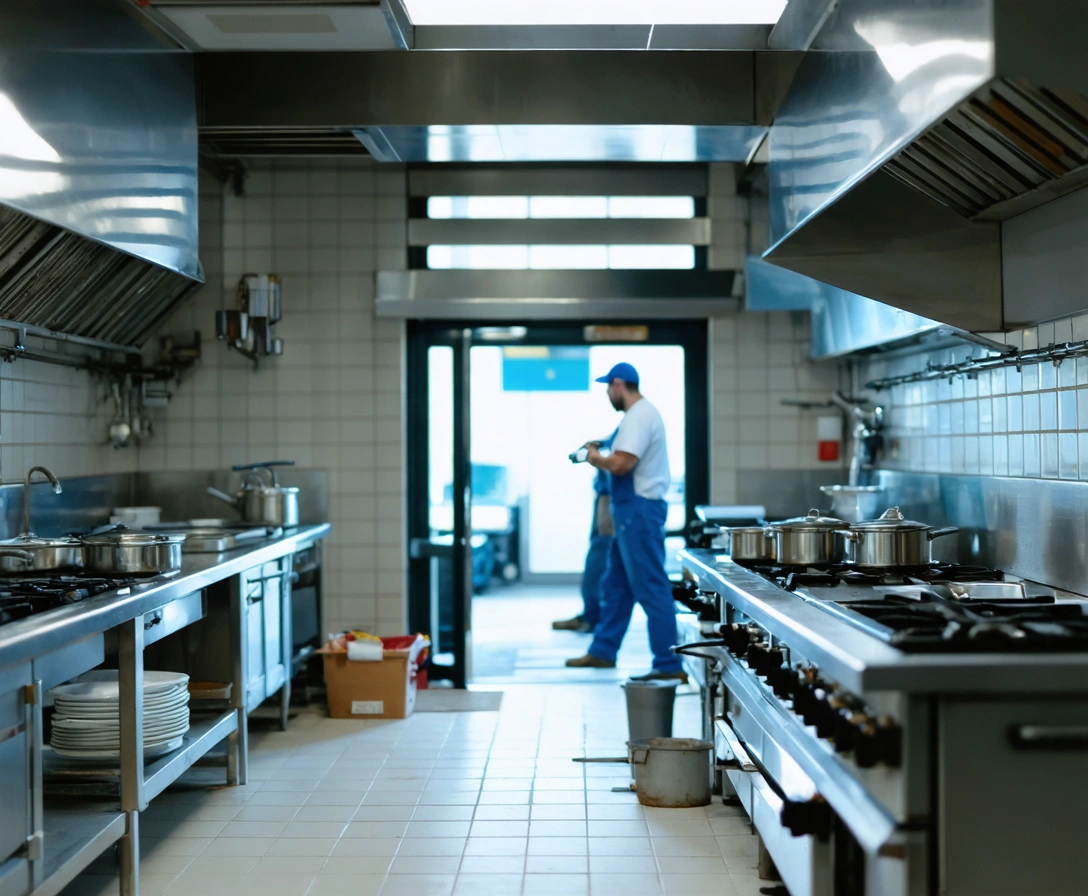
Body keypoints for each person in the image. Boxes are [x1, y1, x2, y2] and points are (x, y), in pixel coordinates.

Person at [565, 363, 687, 682]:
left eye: (608, 387)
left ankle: (669, 664)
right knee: (616, 586)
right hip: (629, 511)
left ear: (619, 385)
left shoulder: (639, 416)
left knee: (651, 587)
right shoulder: (634, 419)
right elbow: (619, 447)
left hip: (639, 511)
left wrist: (594, 458)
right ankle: (603, 651)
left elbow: (621, 465)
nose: (607, 393)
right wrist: (600, 444)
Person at [552, 428, 617, 634]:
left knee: (597, 567)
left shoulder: (635, 427)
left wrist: (594, 455)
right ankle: (591, 615)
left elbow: (615, 467)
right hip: (604, 503)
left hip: (611, 507)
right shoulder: (619, 435)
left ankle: (592, 617)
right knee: (596, 565)